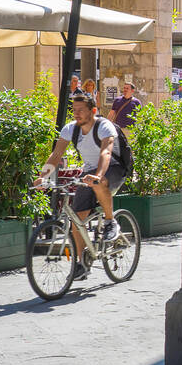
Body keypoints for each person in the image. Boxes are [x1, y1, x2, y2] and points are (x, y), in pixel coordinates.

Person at [37, 94, 124, 280]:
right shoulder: (71, 129)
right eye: (74, 110)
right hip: (89, 172)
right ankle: (81, 264)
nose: (76, 114)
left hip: (114, 168)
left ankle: (110, 222)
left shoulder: (104, 126)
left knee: (100, 183)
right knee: (78, 218)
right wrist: (41, 177)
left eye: (80, 110)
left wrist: (99, 175)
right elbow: (56, 155)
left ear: (93, 111)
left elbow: (106, 152)